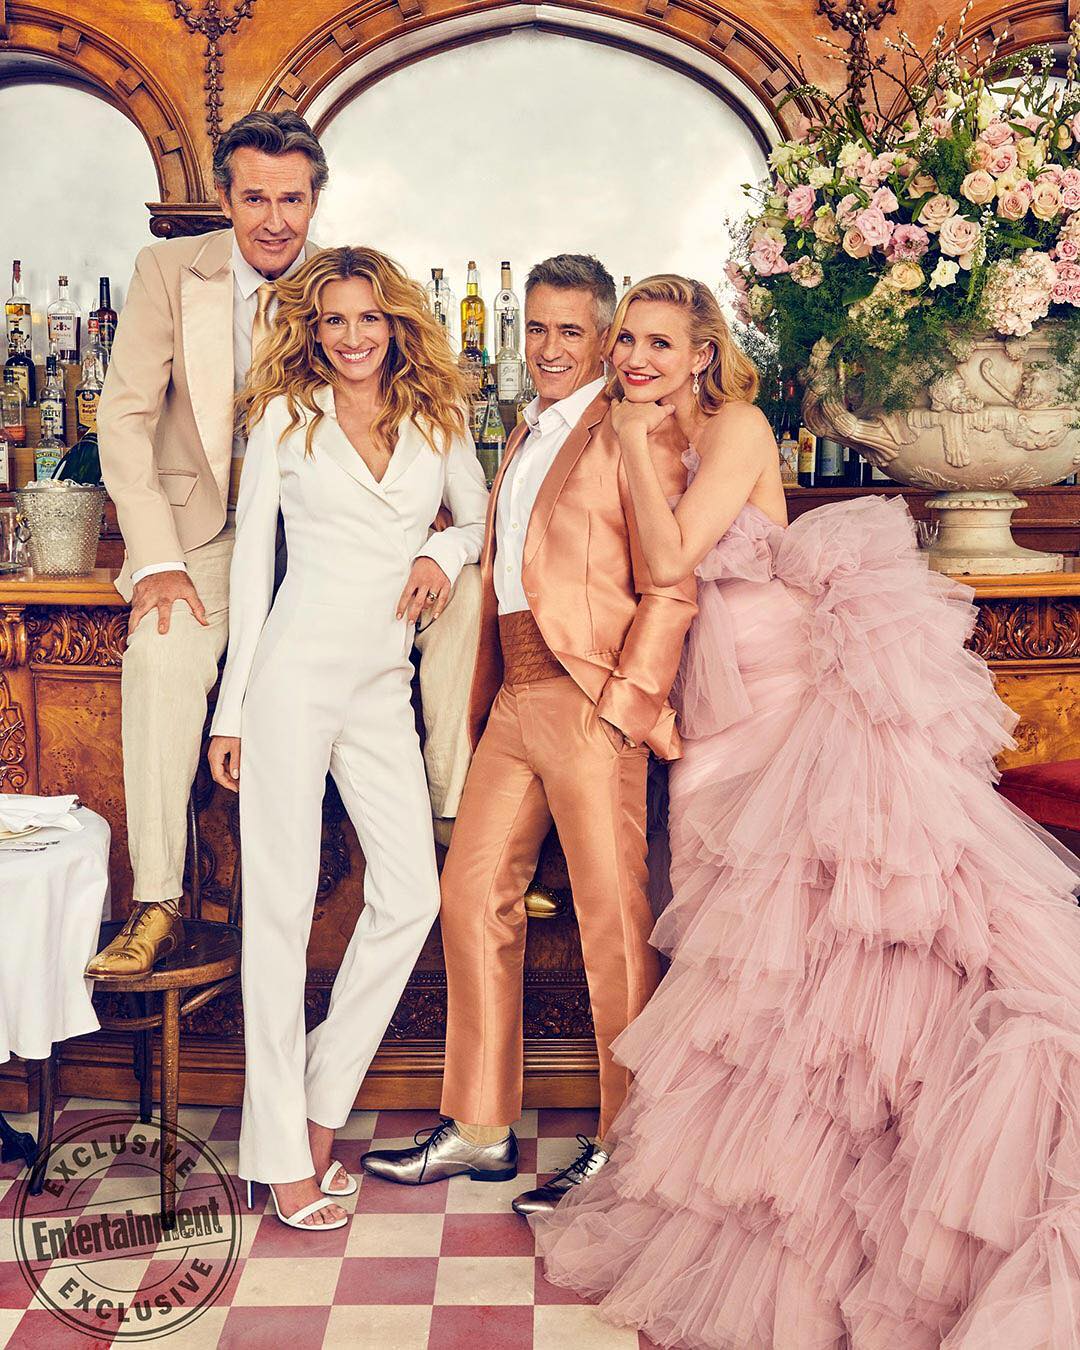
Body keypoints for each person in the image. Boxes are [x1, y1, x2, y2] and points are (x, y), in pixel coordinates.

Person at [531, 275, 1080, 1347]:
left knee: (833, 955)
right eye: (627, 339)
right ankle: (759, 1188)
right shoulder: (634, 428)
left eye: (660, 343)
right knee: (745, 969)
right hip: (709, 715)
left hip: (783, 709)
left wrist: (634, 443)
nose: (635, 358)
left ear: (703, 353)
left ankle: (884, 1205)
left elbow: (672, 559)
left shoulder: (733, 426)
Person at [359, 255, 698, 1216]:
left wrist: (628, 703)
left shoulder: (632, 427)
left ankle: (629, 1147)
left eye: (571, 332)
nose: (549, 349)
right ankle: (479, 1126)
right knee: (469, 896)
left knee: (612, 928)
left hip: (591, 699)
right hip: (514, 693)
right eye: (536, 329)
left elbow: (671, 585)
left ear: (606, 339)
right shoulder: (526, 429)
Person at [205, 245, 487, 1231]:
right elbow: (253, 567)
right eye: (334, 321)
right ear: (313, 331)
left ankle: (319, 1105)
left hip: (382, 682)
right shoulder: (285, 416)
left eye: (369, 318)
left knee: (411, 896)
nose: (352, 336)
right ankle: (282, 1158)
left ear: (396, 322)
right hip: (290, 677)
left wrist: (439, 549)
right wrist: (231, 710)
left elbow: (479, 520)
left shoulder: (437, 415)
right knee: (279, 912)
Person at [87, 111, 326, 977]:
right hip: (206, 530)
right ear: (224, 198)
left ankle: (455, 848)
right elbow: (124, 416)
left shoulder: (347, 282)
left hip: (320, 531)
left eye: (292, 200)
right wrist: (156, 561)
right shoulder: (166, 271)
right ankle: (157, 900)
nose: (275, 220)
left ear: (315, 200)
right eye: (255, 198)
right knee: (160, 652)